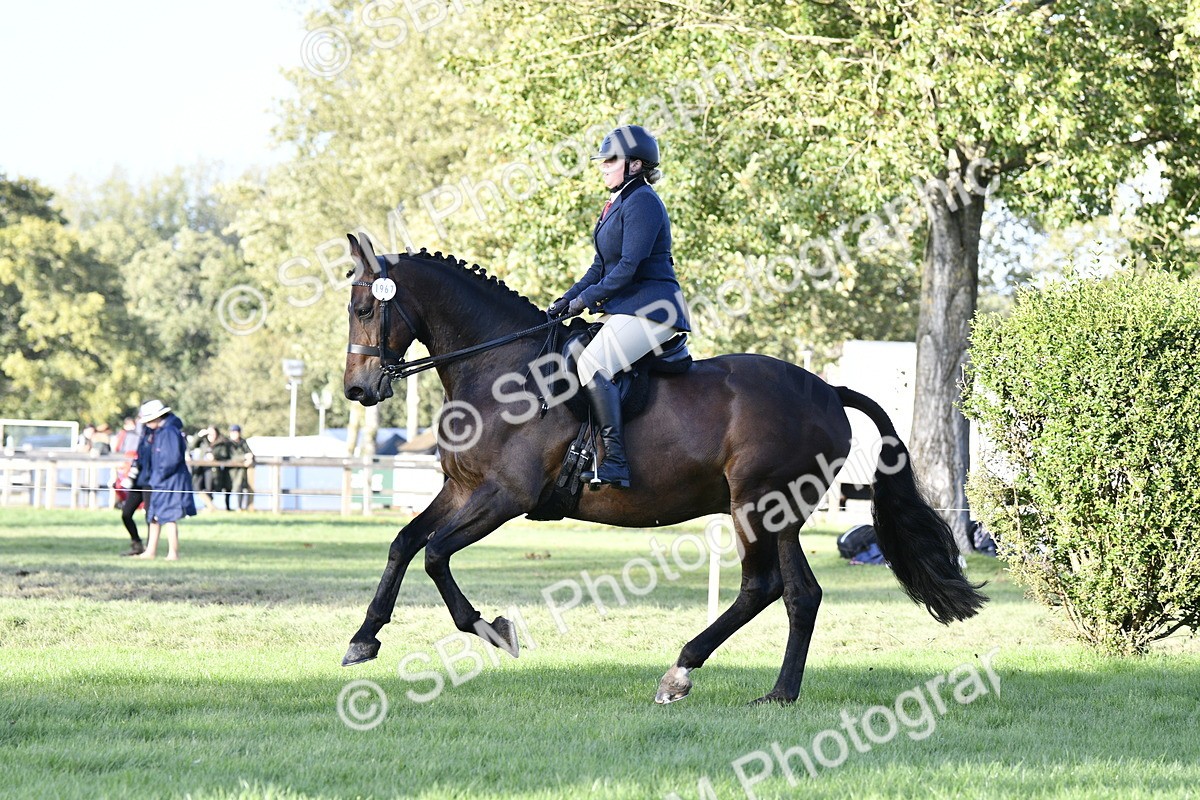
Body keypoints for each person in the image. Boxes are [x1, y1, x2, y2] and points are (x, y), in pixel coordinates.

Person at [546, 124, 691, 489]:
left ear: (636, 165)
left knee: (593, 362)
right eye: (604, 160)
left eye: (612, 160)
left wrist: (585, 301)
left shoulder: (642, 201)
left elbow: (628, 267)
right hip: (627, 309)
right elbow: (600, 267)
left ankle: (615, 462)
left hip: (653, 310)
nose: (604, 166)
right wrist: (568, 299)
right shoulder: (619, 202)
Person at [134, 399, 196, 560]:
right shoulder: (160, 431)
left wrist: (160, 475)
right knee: (154, 515)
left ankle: (173, 553)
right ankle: (151, 551)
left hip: (170, 481)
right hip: (159, 479)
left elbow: (171, 459)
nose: (146, 424)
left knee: (169, 516)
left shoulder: (169, 431)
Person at [116, 421, 154, 556]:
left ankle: (150, 549)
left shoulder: (155, 436)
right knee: (126, 513)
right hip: (138, 480)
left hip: (150, 481)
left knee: (150, 516)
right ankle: (137, 544)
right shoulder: (142, 437)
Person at [197, 426, 233, 510]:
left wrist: (215, 457)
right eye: (209, 433)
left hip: (213, 470)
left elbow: (225, 455)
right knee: (198, 487)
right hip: (200, 469)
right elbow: (191, 445)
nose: (211, 436)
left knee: (209, 488)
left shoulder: (221, 443)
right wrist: (198, 435)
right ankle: (209, 506)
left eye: (213, 433)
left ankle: (210, 507)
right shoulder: (203, 441)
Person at [226, 424, 254, 511]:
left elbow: (250, 453)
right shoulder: (228, 443)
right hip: (230, 471)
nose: (234, 434)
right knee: (228, 488)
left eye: (236, 432)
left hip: (242, 471)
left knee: (241, 488)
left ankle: (240, 507)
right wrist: (245, 457)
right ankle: (228, 508)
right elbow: (232, 456)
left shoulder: (243, 442)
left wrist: (250, 459)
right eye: (232, 432)